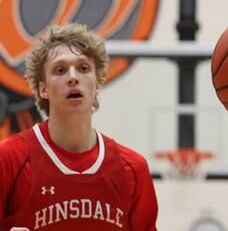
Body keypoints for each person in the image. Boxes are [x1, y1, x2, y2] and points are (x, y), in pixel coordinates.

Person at [0, 23, 158, 230]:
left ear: (97, 85)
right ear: (43, 89)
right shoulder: (9, 159)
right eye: (60, 70)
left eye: (83, 68)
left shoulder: (133, 168)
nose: (73, 77)